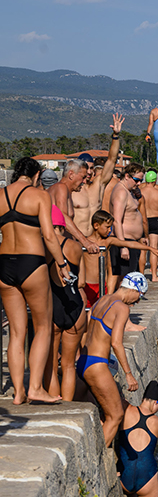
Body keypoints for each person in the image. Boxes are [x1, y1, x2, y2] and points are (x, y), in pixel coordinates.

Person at [0, 158, 71, 404]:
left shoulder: (0, 196)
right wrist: (62, 264)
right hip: (31, 263)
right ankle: (35, 388)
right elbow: (49, 236)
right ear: (37, 175)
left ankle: (18, 392)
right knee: (42, 326)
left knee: (17, 332)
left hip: (5, 265)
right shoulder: (40, 196)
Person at [79, 272, 147, 446]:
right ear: (133, 290)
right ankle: (96, 465)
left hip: (83, 361)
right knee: (116, 415)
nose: (137, 301)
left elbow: (85, 330)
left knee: (98, 412)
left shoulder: (101, 300)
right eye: (139, 296)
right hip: (96, 365)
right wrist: (129, 374)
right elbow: (116, 343)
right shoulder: (122, 308)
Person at [43, 208, 86, 402]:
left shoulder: (43, 246)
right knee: (69, 364)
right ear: (62, 226)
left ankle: (53, 401)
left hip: (52, 306)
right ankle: (68, 405)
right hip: (75, 306)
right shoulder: (75, 246)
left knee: (52, 363)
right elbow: (82, 282)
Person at [117, 380, 158, 497]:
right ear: (156, 402)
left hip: (124, 478)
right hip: (146, 477)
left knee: (133, 476)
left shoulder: (126, 410)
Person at [72, 117, 123, 237]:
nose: (89, 172)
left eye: (91, 168)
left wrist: (115, 136)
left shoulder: (98, 185)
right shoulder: (70, 190)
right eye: (85, 168)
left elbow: (111, 160)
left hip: (96, 241)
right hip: (77, 241)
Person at [47, 158, 100, 254]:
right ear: (71, 175)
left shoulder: (66, 191)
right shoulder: (61, 187)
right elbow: (62, 217)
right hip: (57, 248)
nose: (84, 181)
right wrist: (85, 241)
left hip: (62, 245)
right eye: (83, 177)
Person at [139, 171, 158, 282]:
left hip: (142, 220)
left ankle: (141, 275)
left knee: (143, 249)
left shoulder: (140, 192)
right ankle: (154, 276)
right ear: (155, 180)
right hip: (155, 219)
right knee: (154, 249)